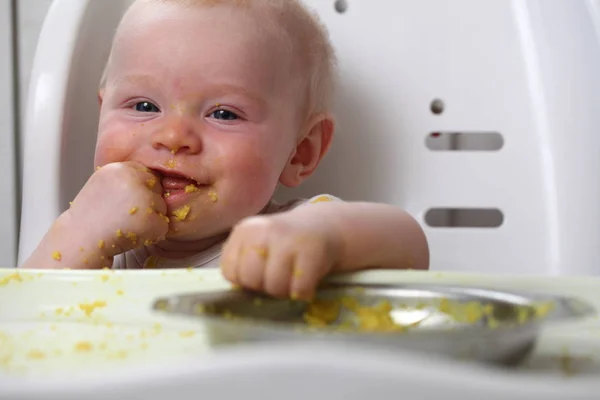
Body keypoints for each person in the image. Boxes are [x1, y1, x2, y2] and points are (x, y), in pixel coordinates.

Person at [21, 0, 429, 300]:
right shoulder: (94, 248)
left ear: (301, 151)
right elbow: (17, 329)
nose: (173, 136)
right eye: (144, 107)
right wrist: (77, 231)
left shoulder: (296, 232)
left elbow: (410, 247)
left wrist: (325, 239)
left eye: (223, 113)